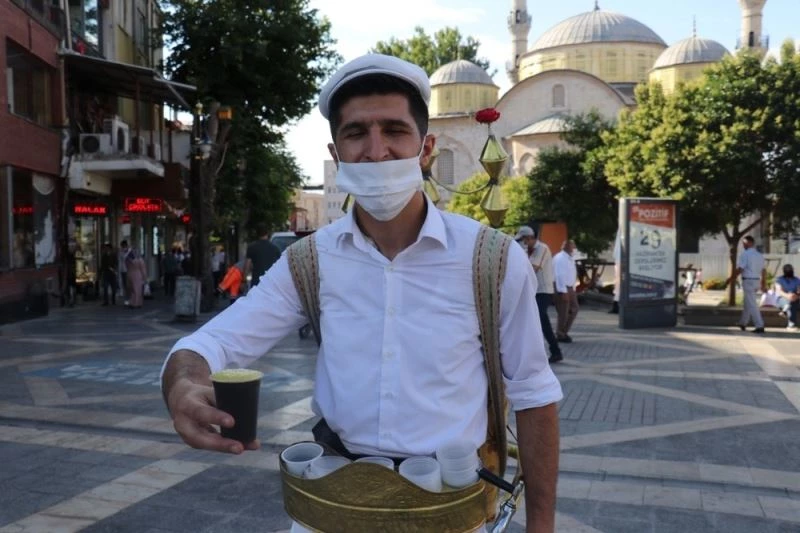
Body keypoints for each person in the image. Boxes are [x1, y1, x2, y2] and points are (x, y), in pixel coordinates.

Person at [160, 54, 562, 531]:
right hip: (330, 507)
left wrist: (541, 525)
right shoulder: (310, 261)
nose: (376, 151)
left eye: (394, 130)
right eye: (356, 133)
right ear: (336, 154)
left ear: (426, 148)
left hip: (451, 511)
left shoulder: (491, 260)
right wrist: (182, 382)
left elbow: (534, 393)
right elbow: (215, 341)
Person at [516, 226, 563, 363]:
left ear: (530, 238)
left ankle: (551, 351)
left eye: (523, 240)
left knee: (539, 318)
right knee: (539, 322)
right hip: (532, 291)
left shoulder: (542, 248)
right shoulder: (527, 250)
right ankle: (554, 351)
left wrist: (522, 255)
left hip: (543, 291)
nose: (522, 243)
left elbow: (533, 268)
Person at [729, 235, 766, 333]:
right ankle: (743, 322)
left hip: (748, 280)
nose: (744, 245)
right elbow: (763, 270)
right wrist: (763, 283)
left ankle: (759, 325)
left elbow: (741, 268)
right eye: (743, 243)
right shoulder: (759, 255)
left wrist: (731, 278)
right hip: (756, 280)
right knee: (747, 303)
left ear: (751, 243)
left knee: (752, 304)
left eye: (745, 243)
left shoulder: (745, 254)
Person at [553, 240, 579, 343]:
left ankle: (563, 332)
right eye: (573, 246)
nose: (574, 249)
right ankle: (560, 334)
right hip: (562, 287)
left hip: (570, 287)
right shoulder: (560, 258)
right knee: (563, 312)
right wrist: (563, 291)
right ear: (567, 247)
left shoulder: (569, 258)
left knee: (574, 309)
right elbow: (559, 275)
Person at [774, 264, 799, 331]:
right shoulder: (779, 279)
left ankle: (785, 311)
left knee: (792, 304)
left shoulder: (797, 280)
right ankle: (791, 326)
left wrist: (796, 296)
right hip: (782, 299)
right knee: (790, 304)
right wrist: (788, 296)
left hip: (794, 298)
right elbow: (779, 291)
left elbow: (799, 291)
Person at [118, 239, 130, 306]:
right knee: (125, 285)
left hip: (129, 270)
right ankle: (127, 299)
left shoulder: (129, 251)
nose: (122, 247)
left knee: (128, 285)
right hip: (123, 270)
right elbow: (120, 261)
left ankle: (130, 299)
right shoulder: (121, 252)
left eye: (123, 246)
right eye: (122, 246)